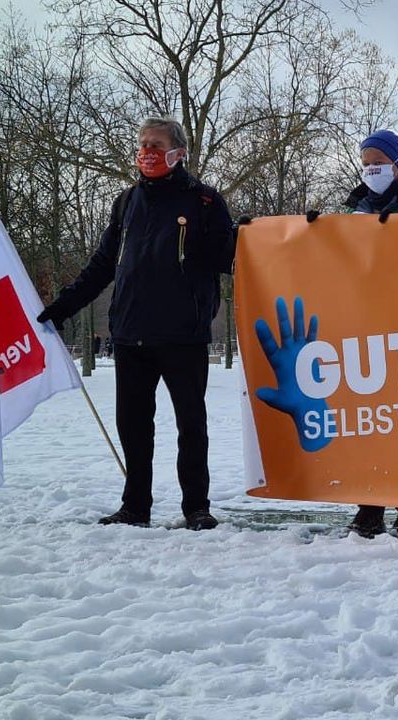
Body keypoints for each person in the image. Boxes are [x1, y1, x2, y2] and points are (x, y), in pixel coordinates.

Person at [38, 117, 234, 530]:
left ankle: (196, 507)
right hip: (129, 334)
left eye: (156, 144)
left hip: (184, 335)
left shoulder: (205, 202)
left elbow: (231, 258)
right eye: (143, 144)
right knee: (132, 426)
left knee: (191, 427)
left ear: (178, 152)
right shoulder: (126, 202)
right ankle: (135, 507)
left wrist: (257, 235)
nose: (147, 151)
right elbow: (101, 266)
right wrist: (61, 308)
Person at [312, 129, 398, 540]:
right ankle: (368, 505)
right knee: (367, 420)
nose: (371, 169)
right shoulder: (352, 213)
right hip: (364, 330)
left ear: (397, 163)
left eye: (378, 162)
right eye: (366, 163)